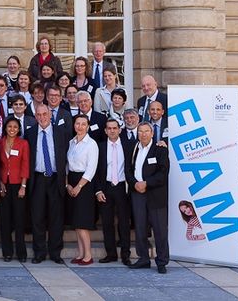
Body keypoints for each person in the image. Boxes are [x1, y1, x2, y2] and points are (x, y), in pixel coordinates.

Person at [26, 104, 69, 264]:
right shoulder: (30, 133)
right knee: (37, 217)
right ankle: (39, 252)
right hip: (37, 179)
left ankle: (55, 252)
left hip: (55, 179)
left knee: (56, 218)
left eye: (45, 114)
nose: (42, 117)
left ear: (50, 115)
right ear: (35, 116)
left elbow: (66, 157)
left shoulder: (61, 132)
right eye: (39, 114)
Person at [128, 122, 170, 274]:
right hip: (137, 194)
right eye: (140, 131)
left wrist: (146, 183)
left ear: (152, 133)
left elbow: (163, 173)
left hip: (155, 195)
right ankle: (144, 258)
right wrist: (135, 184)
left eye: (146, 131)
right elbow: (128, 169)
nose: (143, 134)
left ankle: (162, 261)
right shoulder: (133, 148)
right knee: (140, 228)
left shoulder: (160, 149)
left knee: (160, 230)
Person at [95, 119, 132, 265]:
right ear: (105, 131)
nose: (112, 131)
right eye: (109, 128)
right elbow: (96, 171)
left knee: (124, 222)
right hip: (106, 187)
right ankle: (111, 254)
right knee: (107, 222)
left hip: (123, 187)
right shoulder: (100, 147)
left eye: (115, 128)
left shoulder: (128, 146)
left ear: (119, 130)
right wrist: (98, 190)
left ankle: (125, 255)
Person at [66, 114, 99, 266]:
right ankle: (80, 253)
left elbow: (91, 169)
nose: (80, 126)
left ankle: (88, 255)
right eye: (77, 123)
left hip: (84, 184)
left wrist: (79, 186)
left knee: (83, 222)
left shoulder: (91, 144)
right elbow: (67, 165)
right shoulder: (71, 142)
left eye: (83, 124)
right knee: (76, 222)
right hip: (72, 181)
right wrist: (68, 184)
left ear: (88, 126)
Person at [0, 116, 30, 262]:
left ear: (19, 129)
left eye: (15, 127)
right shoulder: (0, 143)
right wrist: (0, 183)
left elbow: (25, 165)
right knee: (5, 220)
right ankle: (7, 252)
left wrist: (23, 186)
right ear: (5, 128)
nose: (12, 129)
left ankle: (21, 253)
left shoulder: (23, 143)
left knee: (19, 219)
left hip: (18, 185)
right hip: (4, 185)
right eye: (10, 126)